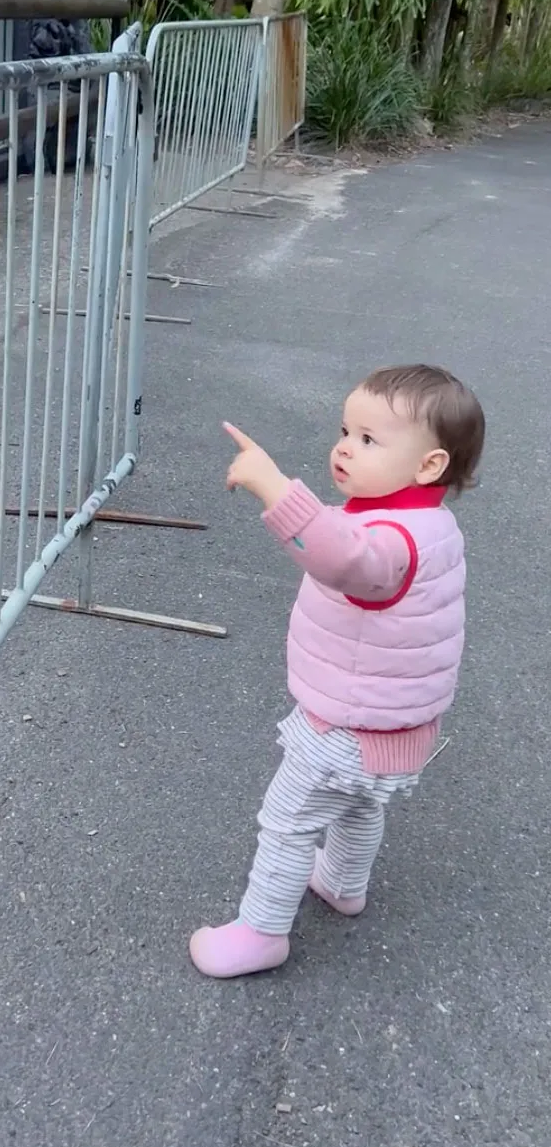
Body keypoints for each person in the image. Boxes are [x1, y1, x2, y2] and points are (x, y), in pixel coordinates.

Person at [190, 364, 486, 979]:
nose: (345, 446)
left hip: (346, 725)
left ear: (428, 466)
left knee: (289, 819)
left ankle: (262, 932)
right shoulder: (428, 525)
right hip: (390, 726)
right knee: (356, 806)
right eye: (345, 430)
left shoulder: (392, 543)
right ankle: (343, 884)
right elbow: (345, 536)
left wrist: (275, 488)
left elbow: (342, 557)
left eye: (369, 440)